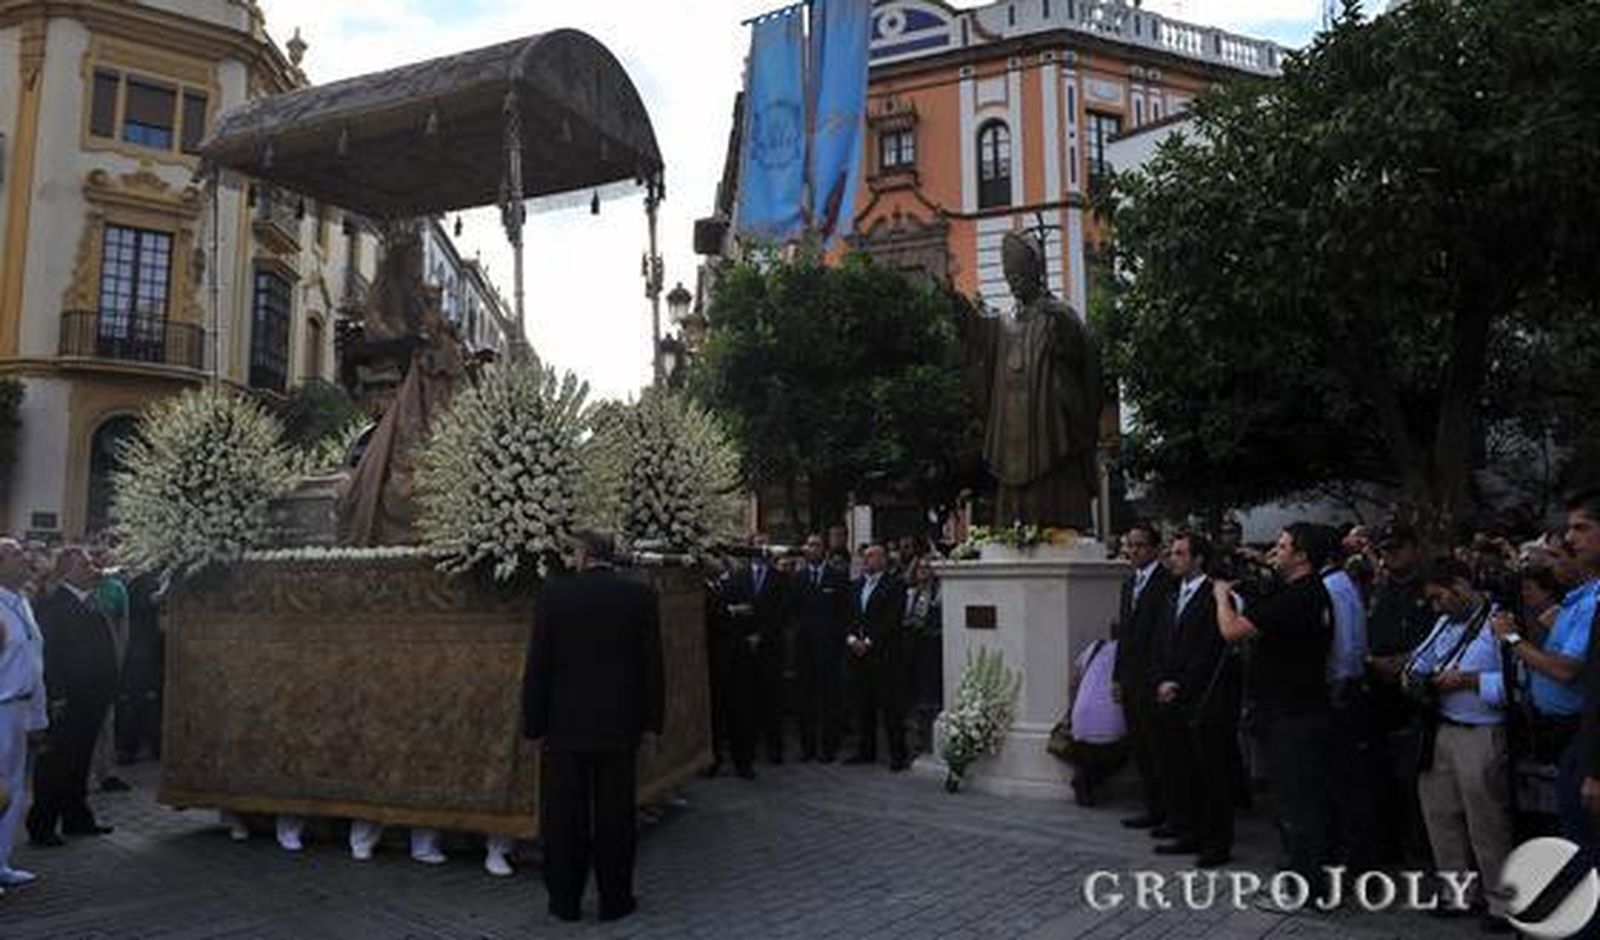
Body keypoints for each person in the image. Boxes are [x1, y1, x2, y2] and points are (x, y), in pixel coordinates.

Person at [522, 530, 664, 923]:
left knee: (565, 816)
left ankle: (564, 901)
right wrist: (652, 721)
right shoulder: (639, 596)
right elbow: (653, 664)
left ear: (583, 555)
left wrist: (533, 723)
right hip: (620, 724)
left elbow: (539, 664)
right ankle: (615, 900)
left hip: (565, 725)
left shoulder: (555, 595)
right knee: (616, 816)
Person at [1214, 523, 1335, 893]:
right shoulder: (1300, 592)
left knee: (1300, 803)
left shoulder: (1301, 596)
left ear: (1302, 555)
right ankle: (1299, 874)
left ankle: (1309, 883)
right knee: (1291, 801)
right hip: (1289, 710)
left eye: (1282, 547)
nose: (1274, 552)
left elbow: (1232, 631)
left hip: (1294, 714)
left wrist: (1221, 597)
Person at [1400, 557, 1513, 933]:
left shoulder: (1499, 622)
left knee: (1487, 820)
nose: (1436, 606)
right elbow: (1421, 658)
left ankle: (1501, 901)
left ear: (1461, 586)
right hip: (1442, 728)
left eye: (1440, 597)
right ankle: (1457, 891)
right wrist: (1417, 677)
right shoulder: (1446, 622)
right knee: (1440, 814)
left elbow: (1517, 685)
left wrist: (1469, 680)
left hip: (1481, 731)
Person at [1152, 533, 1239, 868]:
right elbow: (1162, 643)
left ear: (1199, 558)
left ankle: (1217, 842)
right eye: (1172, 553)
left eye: (1180, 553)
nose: (1173, 559)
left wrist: (1181, 682)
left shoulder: (1215, 595)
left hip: (1204, 698)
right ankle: (1187, 830)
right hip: (1171, 696)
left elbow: (1210, 648)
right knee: (1182, 768)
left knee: (1212, 772)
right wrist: (1162, 679)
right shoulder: (1171, 596)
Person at [27, 547, 118, 846]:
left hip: (92, 696)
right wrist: (57, 695)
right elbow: (50, 654)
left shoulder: (91, 601)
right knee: (57, 762)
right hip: (69, 698)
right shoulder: (55, 605)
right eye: (86, 565)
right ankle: (42, 824)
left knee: (80, 761)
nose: (93, 569)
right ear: (68, 571)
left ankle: (76, 816)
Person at [1112, 521, 1175, 831]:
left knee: (1161, 748)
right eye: (1130, 545)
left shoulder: (1166, 582)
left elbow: (1165, 635)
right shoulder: (1129, 583)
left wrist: (1160, 676)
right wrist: (1117, 676)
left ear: (1155, 549)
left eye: (1140, 546)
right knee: (1141, 747)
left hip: (1153, 677)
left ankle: (1171, 812)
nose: (1133, 551)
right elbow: (1124, 634)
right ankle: (1152, 807)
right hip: (1131, 677)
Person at [0, 538, 47, 887]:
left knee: (13, 790)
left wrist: (37, 716)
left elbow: (34, 660)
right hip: (0, 708)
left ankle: (1, 862)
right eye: (16, 554)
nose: (25, 559)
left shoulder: (22, 601)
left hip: (20, 707)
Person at [722, 535, 788, 766]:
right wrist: (745, 635)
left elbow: (782, 613)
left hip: (770, 646)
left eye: (765, 544)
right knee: (746, 701)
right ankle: (747, 750)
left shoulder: (781, 578)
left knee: (772, 700)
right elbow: (729, 608)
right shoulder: (737, 576)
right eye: (757, 544)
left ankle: (775, 749)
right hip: (744, 648)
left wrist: (762, 635)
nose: (761, 548)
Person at [845, 543, 910, 771]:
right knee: (863, 705)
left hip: (884, 655)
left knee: (891, 707)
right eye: (865, 556)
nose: (867, 560)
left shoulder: (894, 585)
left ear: (883, 559)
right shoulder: (856, 586)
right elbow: (848, 616)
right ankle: (866, 750)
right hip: (858, 655)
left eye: (872, 556)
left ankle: (898, 754)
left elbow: (892, 620)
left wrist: (869, 642)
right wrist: (852, 640)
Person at [791, 533, 850, 763]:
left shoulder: (837, 577)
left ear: (824, 549)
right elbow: (793, 610)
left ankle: (828, 746)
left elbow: (844, 612)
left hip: (829, 648)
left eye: (816, 545)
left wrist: (838, 640)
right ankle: (807, 747)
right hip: (805, 647)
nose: (811, 549)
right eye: (809, 545)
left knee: (829, 699)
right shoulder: (798, 578)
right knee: (805, 699)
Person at [88, 545, 131, 793]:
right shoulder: (80, 588)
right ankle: (84, 773)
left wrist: (119, 658)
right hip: (83, 663)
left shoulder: (116, 588)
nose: (98, 560)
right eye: (93, 555)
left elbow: (123, 625)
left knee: (107, 720)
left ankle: (106, 772)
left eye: (102, 555)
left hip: (109, 659)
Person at [903, 556, 943, 756]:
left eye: (928, 567)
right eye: (920, 567)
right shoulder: (910, 592)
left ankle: (931, 738)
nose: (923, 571)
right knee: (914, 694)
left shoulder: (939, 593)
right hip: (912, 648)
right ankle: (917, 736)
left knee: (931, 695)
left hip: (931, 648)